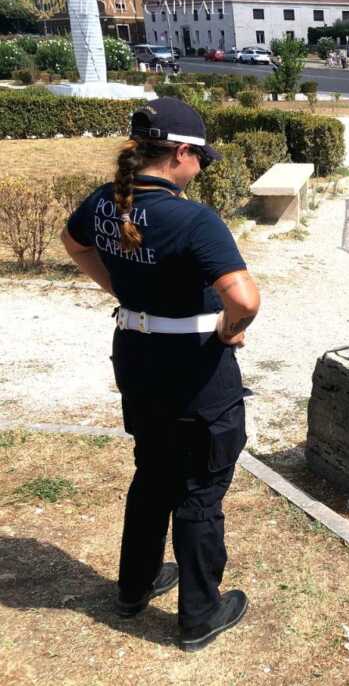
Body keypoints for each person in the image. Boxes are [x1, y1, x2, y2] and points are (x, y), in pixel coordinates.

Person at [60, 97, 260, 652]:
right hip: (194, 368)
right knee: (199, 487)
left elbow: (73, 241)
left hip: (136, 358)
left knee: (152, 473)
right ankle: (200, 614)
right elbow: (244, 298)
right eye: (200, 158)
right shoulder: (192, 218)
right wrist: (227, 330)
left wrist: (121, 292)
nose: (201, 169)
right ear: (179, 154)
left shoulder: (106, 201)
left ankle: (136, 585)